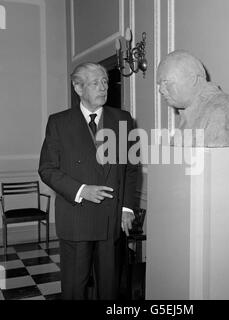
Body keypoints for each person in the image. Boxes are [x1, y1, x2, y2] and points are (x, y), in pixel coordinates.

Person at [39, 62, 137, 300]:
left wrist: (126, 208)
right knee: (74, 288)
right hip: (76, 217)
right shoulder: (59, 122)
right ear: (78, 87)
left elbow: (131, 169)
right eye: (95, 83)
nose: (103, 87)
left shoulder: (123, 119)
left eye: (104, 81)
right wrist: (81, 190)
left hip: (111, 219)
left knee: (109, 288)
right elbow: (47, 169)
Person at [157, 50, 229, 147]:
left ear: (192, 79)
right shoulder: (187, 115)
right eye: (160, 84)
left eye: (166, 82)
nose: (161, 91)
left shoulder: (225, 111)